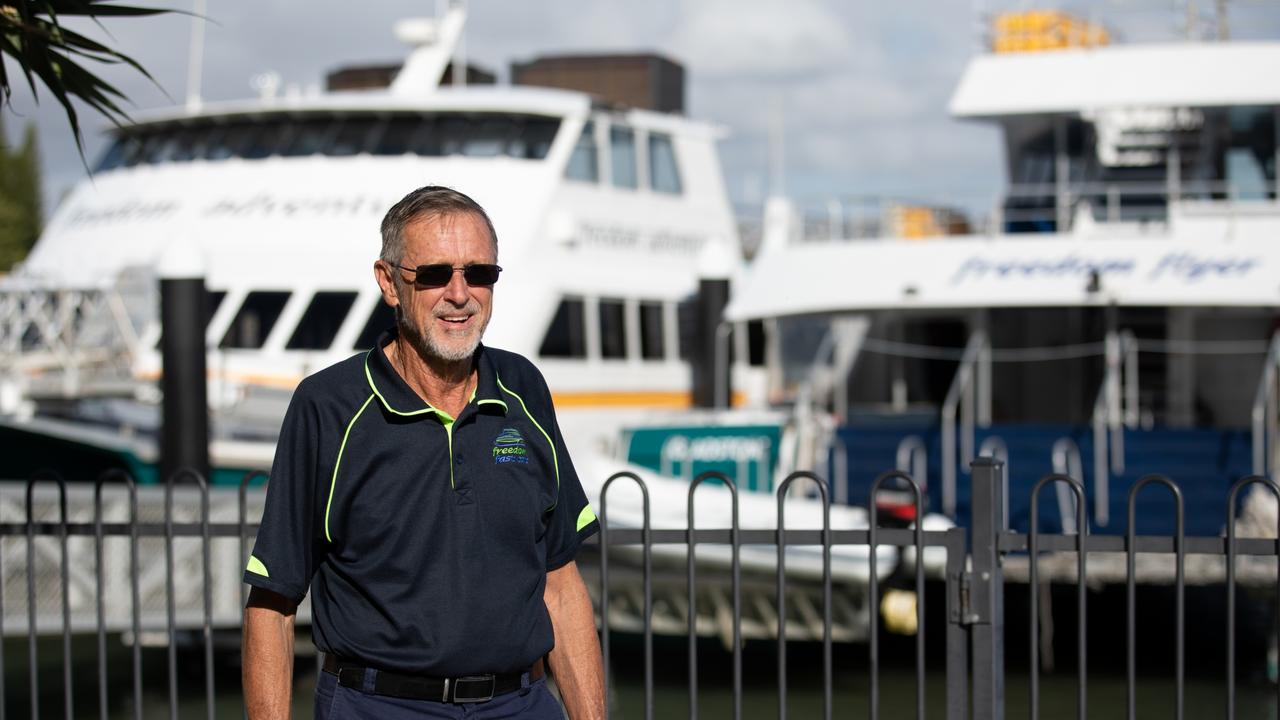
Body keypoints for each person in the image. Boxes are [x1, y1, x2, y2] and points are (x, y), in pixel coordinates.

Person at [242, 186, 605, 719]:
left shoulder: (523, 387)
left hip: (521, 705)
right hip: (377, 707)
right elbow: (272, 603)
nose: (460, 293)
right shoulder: (328, 406)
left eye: (479, 273)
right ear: (389, 283)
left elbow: (561, 584)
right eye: (434, 274)